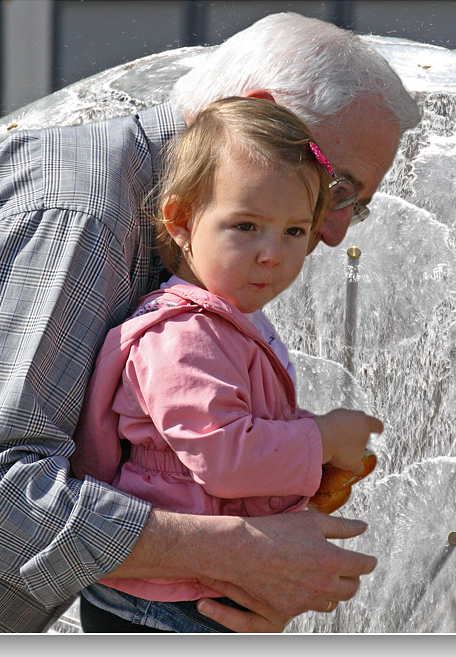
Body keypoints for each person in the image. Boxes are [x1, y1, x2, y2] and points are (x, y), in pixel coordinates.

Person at [0, 11, 419, 633]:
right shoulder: (85, 213)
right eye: (336, 188)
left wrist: (234, 571)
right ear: (253, 114)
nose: (331, 231)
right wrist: (240, 551)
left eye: (352, 209)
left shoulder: (178, 236)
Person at [70, 96, 382, 633]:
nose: (272, 253)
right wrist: (323, 437)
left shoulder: (229, 321)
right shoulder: (182, 335)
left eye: (293, 231)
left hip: (190, 589)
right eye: (245, 226)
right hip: (164, 604)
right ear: (181, 221)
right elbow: (225, 457)